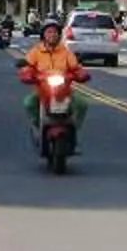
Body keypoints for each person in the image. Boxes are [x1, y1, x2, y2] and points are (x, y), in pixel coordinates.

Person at [18, 17, 86, 151]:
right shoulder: (36, 52)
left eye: (55, 32)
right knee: (29, 103)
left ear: (59, 35)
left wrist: (81, 74)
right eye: (49, 32)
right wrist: (27, 74)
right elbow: (27, 67)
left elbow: (75, 67)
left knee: (82, 104)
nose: (52, 35)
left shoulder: (66, 52)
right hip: (43, 91)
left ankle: (73, 132)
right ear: (43, 35)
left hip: (64, 90)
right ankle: (38, 127)